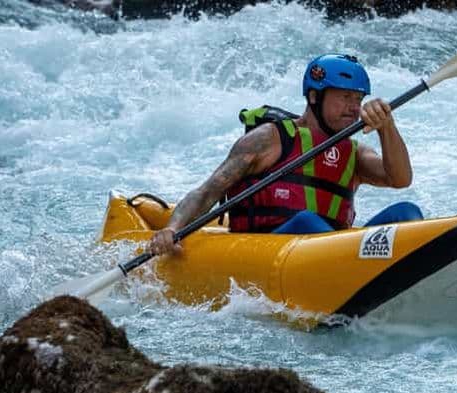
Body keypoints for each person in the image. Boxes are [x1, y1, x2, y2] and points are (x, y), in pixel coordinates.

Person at [148, 53, 423, 255]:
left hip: (336, 252)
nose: (354, 108)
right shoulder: (269, 139)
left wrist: (387, 127)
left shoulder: (354, 152)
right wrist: (173, 229)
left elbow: (399, 179)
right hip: (268, 249)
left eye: (358, 100)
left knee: (407, 213)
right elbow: (208, 191)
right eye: (344, 97)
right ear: (314, 97)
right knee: (308, 221)